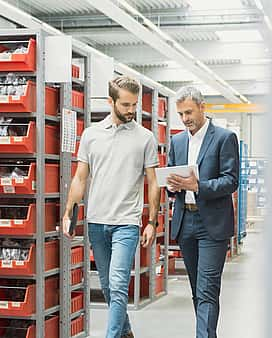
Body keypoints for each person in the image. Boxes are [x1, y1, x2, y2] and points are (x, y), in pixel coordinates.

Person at [61, 76, 161, 338]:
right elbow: (80, 177)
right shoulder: (91, 135)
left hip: (127, 222)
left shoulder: (145, 138)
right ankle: (126, 332)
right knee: (107, 287)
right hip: (97, 221)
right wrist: (69, 213)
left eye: (134, 105)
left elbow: (153, 181)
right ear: (110, 102)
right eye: (126, 105)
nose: (131, 110)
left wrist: (152, 221)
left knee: (118, 285)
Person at [166, 86, 239, 338]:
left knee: (207, 289)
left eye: (188, 112)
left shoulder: (224, 138)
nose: (185, 118)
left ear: (202, 107)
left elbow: (231, 181)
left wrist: (199, 186)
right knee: (198, 290)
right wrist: (171, 186)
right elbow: (170, 178)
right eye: (181, 114)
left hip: (212, 224)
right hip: (185, 221)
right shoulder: (176, 141)